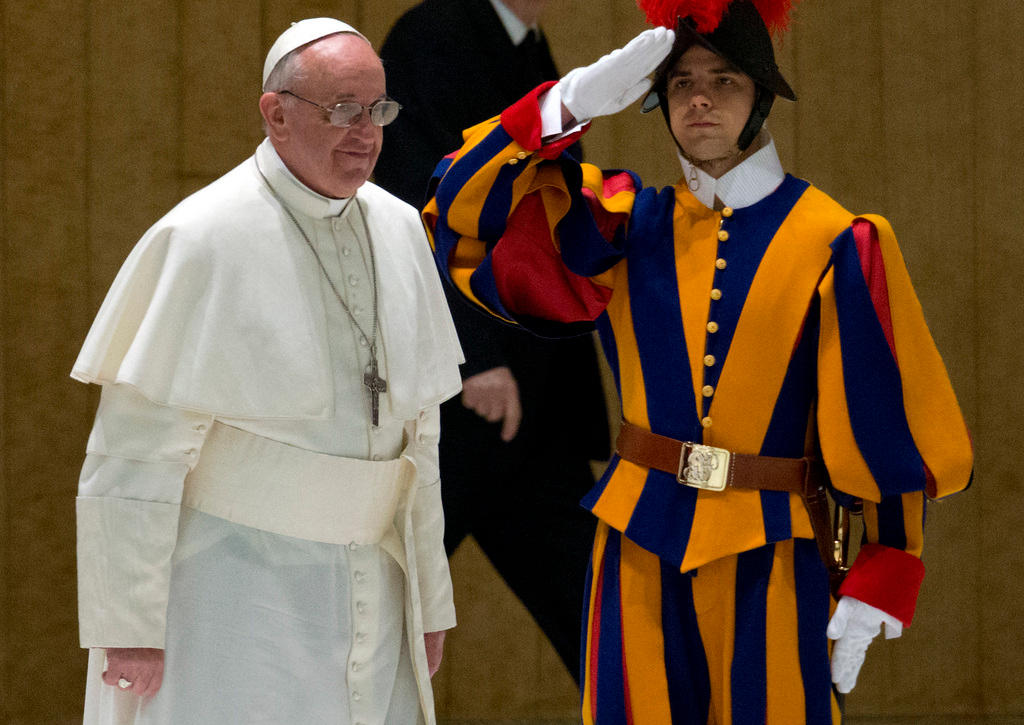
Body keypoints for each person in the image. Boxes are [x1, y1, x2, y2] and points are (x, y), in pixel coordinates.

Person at [424, 0, 974, 721]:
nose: (701, 97)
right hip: (636, 539)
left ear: (761, 96)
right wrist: (565, 104)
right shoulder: (621, 222)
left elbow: (883, 423)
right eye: (681, 83)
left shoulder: (838, 240)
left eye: (724, 78)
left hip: (778, 547)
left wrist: (883, 571)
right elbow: (457, 212)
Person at [71, 18, 463, 725]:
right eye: (342, 109)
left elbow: (421, 439)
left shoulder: (402, 227)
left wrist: (430, 599)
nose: (366, 131)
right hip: (232, 590)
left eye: (378, 110)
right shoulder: (201, 237)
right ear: (276, 114)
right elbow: (133, 452)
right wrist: (127, 626)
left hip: (375, 583)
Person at [375, 0, 608, 680]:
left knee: (602, 616)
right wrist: (472, 355)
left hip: (530, 407)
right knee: (376, 610)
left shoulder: (524, 43)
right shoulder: (439, 35)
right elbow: (412, 202)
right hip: (464, 397)